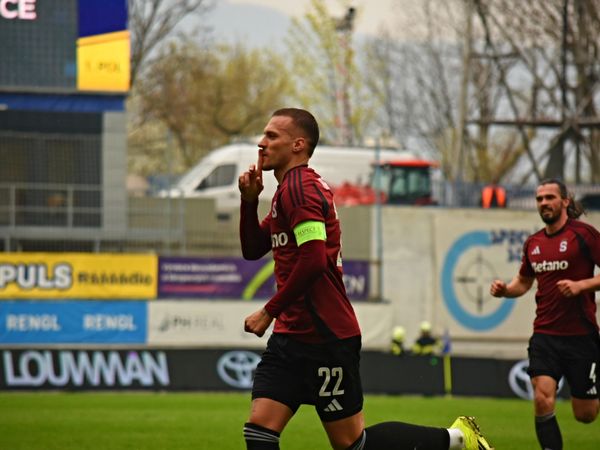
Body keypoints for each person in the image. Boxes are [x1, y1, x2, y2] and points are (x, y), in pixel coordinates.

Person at [238, 107, 493, 450]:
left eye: (272, 136)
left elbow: (314, 261)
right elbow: (253, 248)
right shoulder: (288, 192)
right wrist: (249, 202)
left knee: (352, 445)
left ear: (298, 144)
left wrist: (269, 311)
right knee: (259, 430)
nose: (261, 142)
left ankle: (458, 439)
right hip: (291, 338)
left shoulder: (300, 190)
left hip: (325, 338)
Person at [490, 178, 600, 450]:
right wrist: (505, 290)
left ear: (565, 201)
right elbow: (523, 282)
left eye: (550, 197)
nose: (544, 203)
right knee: (542, 398)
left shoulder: (584, 235)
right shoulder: (533, 243)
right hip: (545, 335)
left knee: (585, 415)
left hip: (581, 336)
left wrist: (581, 286)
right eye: (539, 199)